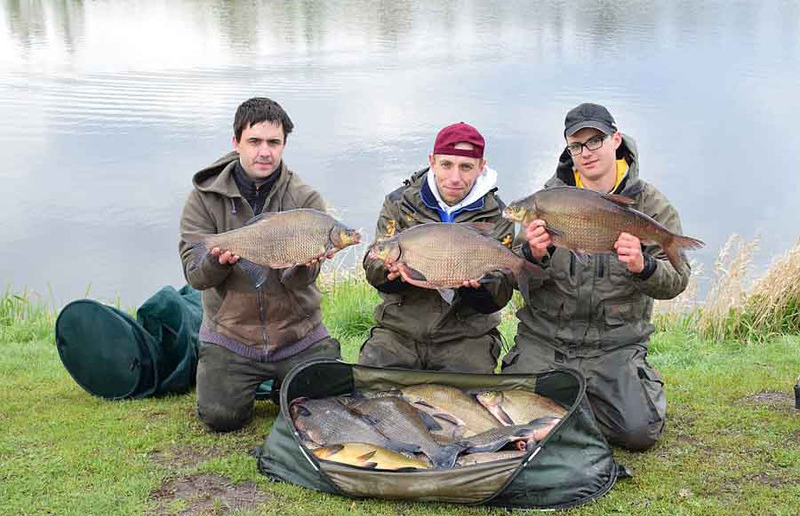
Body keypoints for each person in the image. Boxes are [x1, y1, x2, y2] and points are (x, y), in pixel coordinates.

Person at [502, 103, 691, 451]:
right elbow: (512, 276)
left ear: (615, 139)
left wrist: (644, 267)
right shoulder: (545, 201)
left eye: (595, 141)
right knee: (504, 415)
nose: (586, 153)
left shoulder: (651, 206)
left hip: (613, 345)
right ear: (568, 150)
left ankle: (587, 406)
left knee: (638, 434)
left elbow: (678, 281)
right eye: (576, 145)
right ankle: (576, 410)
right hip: (547, 341)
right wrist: (533, 255)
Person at [178, 97, 340, 432]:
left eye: (273, 143)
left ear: (284, 145)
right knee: (221, 418)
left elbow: (302, 282)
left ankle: (287, 382)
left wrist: (305, 265)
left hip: (298, 334)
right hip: (231, 335)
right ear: (236, 142)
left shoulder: (305, 200)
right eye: (254, 142)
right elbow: (194, 275)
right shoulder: (203, 197)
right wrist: (215, 261)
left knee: (328, 407)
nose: (264, 152)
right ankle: (266, 385)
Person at [359, 122, 515, 373]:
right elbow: (374, 261)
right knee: (373, 395)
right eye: (446, 165)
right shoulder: (399, 203)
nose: (455, 177)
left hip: (466, 336)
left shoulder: (497, 214)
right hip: (399, 331)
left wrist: (478, 289)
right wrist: (391, 275)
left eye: (466, 167)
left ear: (481, 167)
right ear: (432, 161)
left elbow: (499, 296)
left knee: (463, 406)